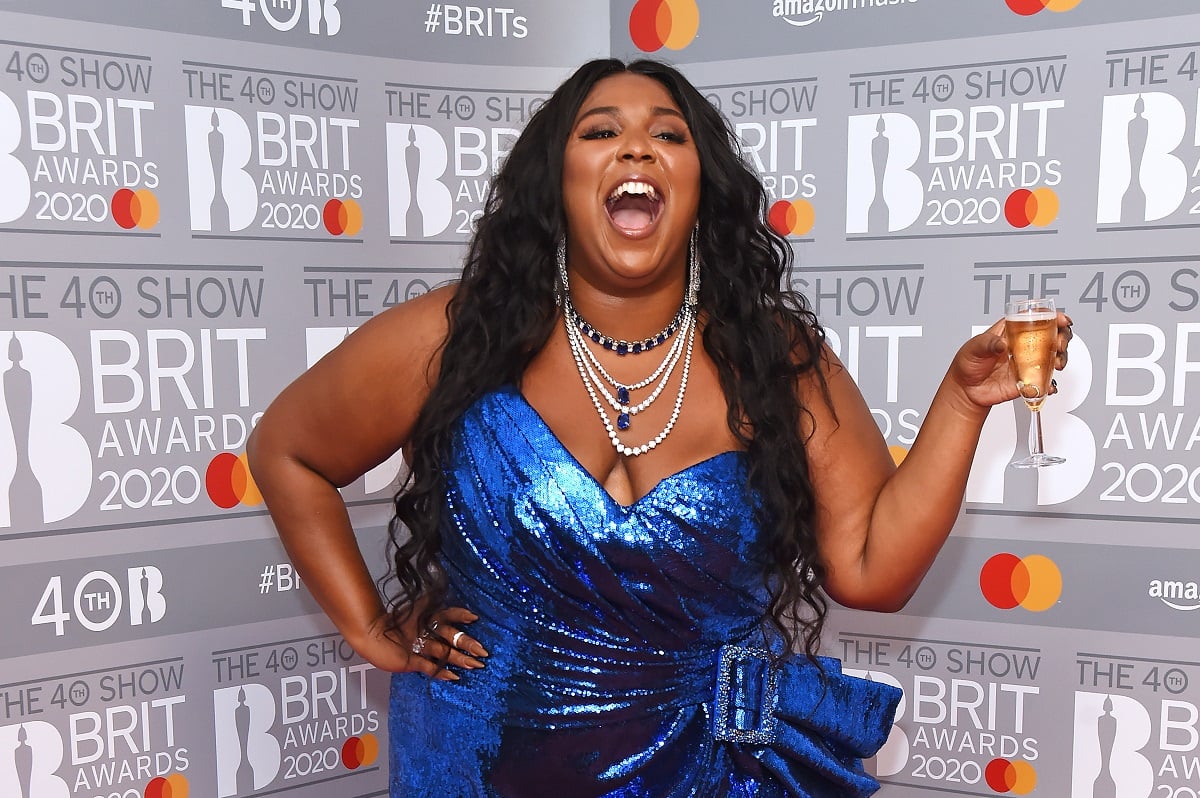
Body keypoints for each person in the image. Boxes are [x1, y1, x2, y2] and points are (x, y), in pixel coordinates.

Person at [246, 58, 1072, 797]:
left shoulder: (770, 351)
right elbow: (288, 451)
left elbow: (870, 571)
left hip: (708, 771)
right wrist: (370, 626)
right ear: (556, 183)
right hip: (475, 764)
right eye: (601, 131)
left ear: (699, 185)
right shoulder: (452, 334)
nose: (636, 149)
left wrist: (962, 403)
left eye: (667, 136)